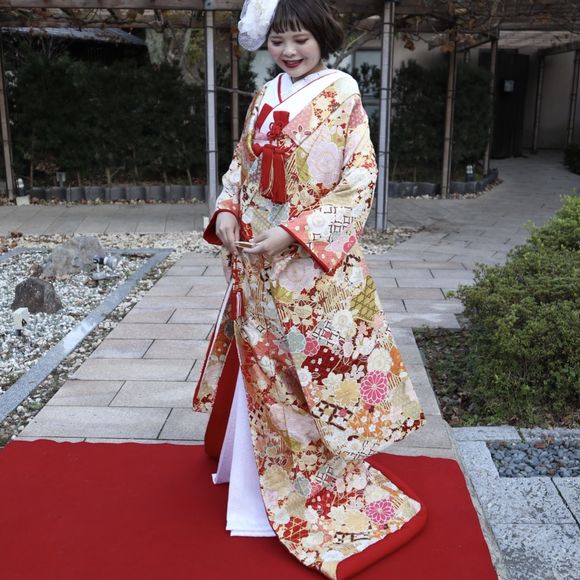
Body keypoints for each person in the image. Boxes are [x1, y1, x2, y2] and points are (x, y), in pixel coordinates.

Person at [193, 1, 427, 577]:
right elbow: (241, 167)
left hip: (308, 265)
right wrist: (227, 210)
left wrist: (294, 232)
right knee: (263, 368)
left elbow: (359, 179)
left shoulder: (342, 93)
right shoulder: (263, 96)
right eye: (278, 41)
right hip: (254, 259)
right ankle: (255, 482)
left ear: (322, 37)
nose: (289, 51)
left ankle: (310, 481)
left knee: (312, 374)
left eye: (299, 39)